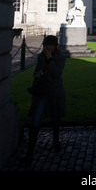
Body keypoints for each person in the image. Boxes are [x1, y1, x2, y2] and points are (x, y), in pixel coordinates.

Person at [23, 35, 66, 165]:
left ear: (55, 46)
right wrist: (36, 74)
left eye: (50, 45)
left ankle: (56, 141)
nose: (47, 47)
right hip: (42, 92)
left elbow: (57, 73)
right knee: (36, 120)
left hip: (54, 92)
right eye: (46, 45)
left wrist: (50, 60)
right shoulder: (41, 56)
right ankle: (30, 153)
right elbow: (37, 71)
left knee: (55, 118)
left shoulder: (60, 58)